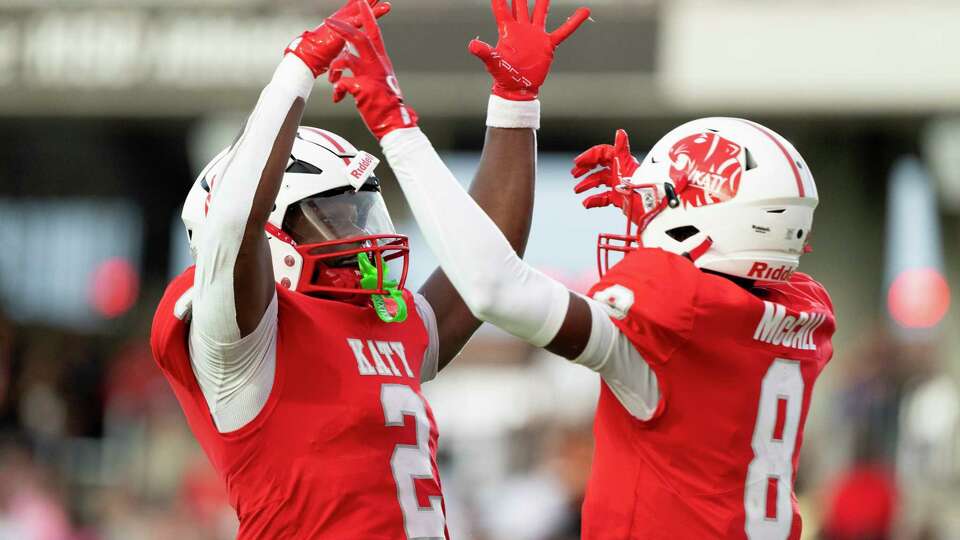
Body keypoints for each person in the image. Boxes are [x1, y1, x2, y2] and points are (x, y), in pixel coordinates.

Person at [330, 3, 836, 538]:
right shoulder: (805, 306)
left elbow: (492, 287)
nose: (641, 217)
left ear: (703, 218)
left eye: (659, 203)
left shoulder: (677, 313)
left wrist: (396, 127)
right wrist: (663, 200)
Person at [149, 0, 589, 537]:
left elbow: (490, 267)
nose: (361, 238)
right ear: (275, 233)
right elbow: (235, 229)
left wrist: (515, 106)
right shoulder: (240, 348)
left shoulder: (391, 322)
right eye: (335, 218)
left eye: (361, 215)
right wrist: (297, 70)